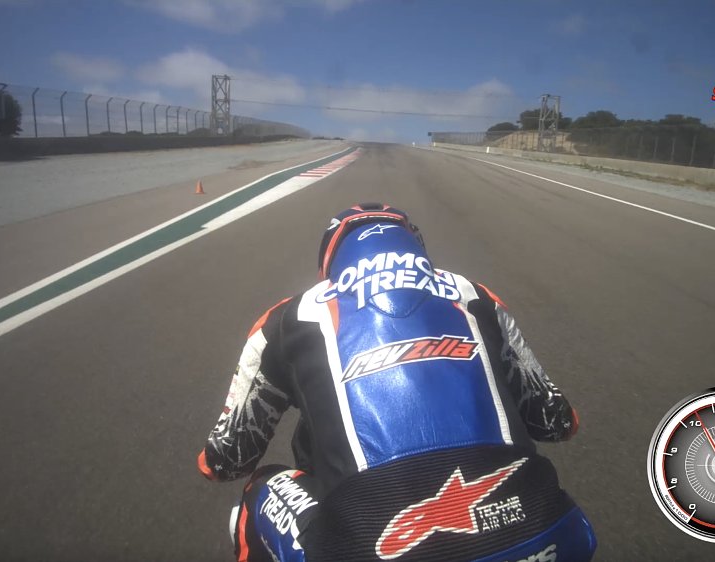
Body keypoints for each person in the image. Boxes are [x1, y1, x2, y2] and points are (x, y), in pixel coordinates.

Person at [198, 203, 596, 561]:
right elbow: (558, 423)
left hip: (384, 544)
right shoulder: (477, 296)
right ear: (416, 247)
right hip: (547, 529)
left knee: (260, 488)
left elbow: (226, 460)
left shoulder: (287, 318)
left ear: (330, 262)